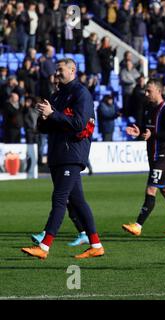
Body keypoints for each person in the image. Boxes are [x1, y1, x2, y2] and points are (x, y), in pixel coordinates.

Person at [21, 58, 104, 259]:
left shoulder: (81, 93)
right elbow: (45, 128)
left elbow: (78, 124)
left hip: (72, 152)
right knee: (77, 201)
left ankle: (44, 246)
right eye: (56, 70)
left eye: (60, 70)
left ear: (72, 70)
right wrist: (43, 117)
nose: (57, 73)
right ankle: (96, 244)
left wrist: (53, 115)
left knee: (60, 198)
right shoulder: (57, 95)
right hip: (58, 153)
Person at [122, 79, 165, 236]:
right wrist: (139, 132)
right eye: (145, 91)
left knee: (151, 189)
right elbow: (149, 132)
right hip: (153, 157)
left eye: (149, 91)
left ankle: (138, 225)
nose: (146, 94)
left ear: (159, 91)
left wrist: (154, 134)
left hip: (163, 157)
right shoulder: (149, 108)